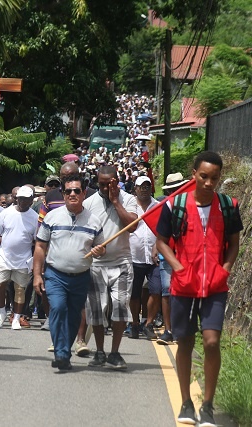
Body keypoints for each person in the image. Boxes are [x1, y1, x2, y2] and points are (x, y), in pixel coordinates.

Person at [156, 151, 242, 426]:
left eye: (214, 178)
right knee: (185, 342)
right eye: (203, 176)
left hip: (215, 285)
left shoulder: (228, 206)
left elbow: (234, 243)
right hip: (184, 285)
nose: (208, 182)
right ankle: (185, 402)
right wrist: (177, 267)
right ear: (193, 174)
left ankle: (207, 405)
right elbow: (162, 242)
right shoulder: (175, 205)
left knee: (212, 342)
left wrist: (224, 270)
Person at [33, 175, 106, 370]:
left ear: (84, 193)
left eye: (76, 191)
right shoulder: (52, 217)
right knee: (57, 308)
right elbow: (40, 246)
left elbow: (100, 248)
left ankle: (64, 352)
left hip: (81, 277)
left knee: (74, 316)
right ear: (63, 194)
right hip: (55, 274)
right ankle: (61, 352)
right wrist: (38, 275)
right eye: (68, 191)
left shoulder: (94, 220)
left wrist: (99, 251)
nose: (72, 194)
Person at [83, 165, 138, 370]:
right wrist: (92, 247)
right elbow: (84, 233)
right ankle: (99, 351)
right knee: (97, 309)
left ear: (116, 181)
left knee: (120, 306)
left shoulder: (128, 199)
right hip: (96, 264)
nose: (105, 188)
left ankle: (114, 352)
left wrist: (116, 201)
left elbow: (132, 226)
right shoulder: (88, 203)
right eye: (102, 184)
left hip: (121, 262)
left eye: (110, 184)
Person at [0, 186, 38, 330]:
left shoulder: (34, 217)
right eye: (20, 199)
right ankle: (2, 313)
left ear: (31, 201)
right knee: (0, 285)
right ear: (16, 199)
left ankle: (16, 317)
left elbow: (37, 241)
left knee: (20, 288)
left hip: (23, 258)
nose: (22, 202)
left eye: (26, 200)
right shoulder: (6, 213)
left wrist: (37, 261)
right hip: (4, 256)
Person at [149, 172, 190, 345]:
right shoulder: (166, 206)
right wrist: (155, 246)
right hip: (167, 253)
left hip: (188, 254)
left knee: (185, 292)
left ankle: (183, 330)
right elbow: (160, 232)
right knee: (167, 291)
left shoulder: (192, 205)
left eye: (178, 188)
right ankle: (168, 330)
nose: (176, 191)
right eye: (173, 189)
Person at [127, 176, 160, 340]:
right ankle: (134, 323)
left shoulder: (158, 206)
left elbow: (163, 229)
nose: (144, 189)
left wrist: (158, 245)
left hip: (154, 258)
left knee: (157, 289)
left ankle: (148, 323)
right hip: (134, 256)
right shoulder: (130, 206)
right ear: (135, 188)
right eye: (141, 187)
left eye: (147, 186)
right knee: (134, 294)